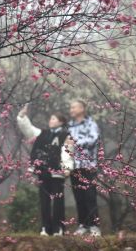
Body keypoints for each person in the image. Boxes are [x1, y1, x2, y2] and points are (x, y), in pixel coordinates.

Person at [17, 104, 74, 236]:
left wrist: (67, 168)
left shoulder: (66, 135)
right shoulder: (43, 133)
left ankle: (58, 228)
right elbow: (28, 130)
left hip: (57, 172)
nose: (50, 121)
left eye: (53, 119)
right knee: (44, 200)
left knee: (58, 200)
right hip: (43, 171)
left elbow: (67, 152)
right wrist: (22, 116)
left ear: (61, 122)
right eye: (50, 119)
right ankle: (45, 228)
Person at [67, 100, 101, 236]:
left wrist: (74, 143)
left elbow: (93, 140)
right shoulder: (69, 126)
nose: (71, 109)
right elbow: (65, 143)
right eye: (70, 107)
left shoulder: (91, 124)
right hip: (74, 166)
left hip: (88, 165)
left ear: (82, 108)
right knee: (79, 197)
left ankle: (94, 226)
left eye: (73, 106)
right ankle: (83, 225)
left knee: (90, 196)